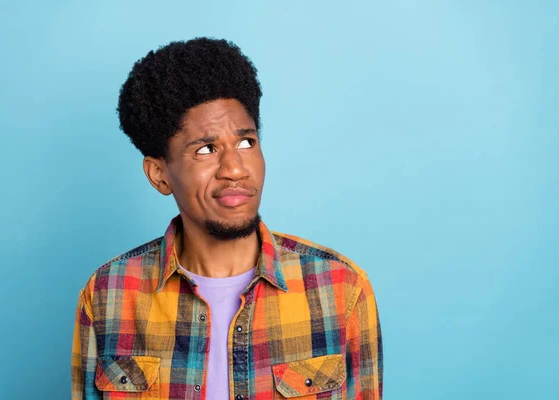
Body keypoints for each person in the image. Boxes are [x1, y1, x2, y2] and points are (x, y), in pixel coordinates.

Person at [71, 37, 382, 400]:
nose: (235, 169)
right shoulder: (108, 295)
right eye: (206, 149)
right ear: (159, 174)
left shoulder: (340, 288)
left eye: (247, 142)